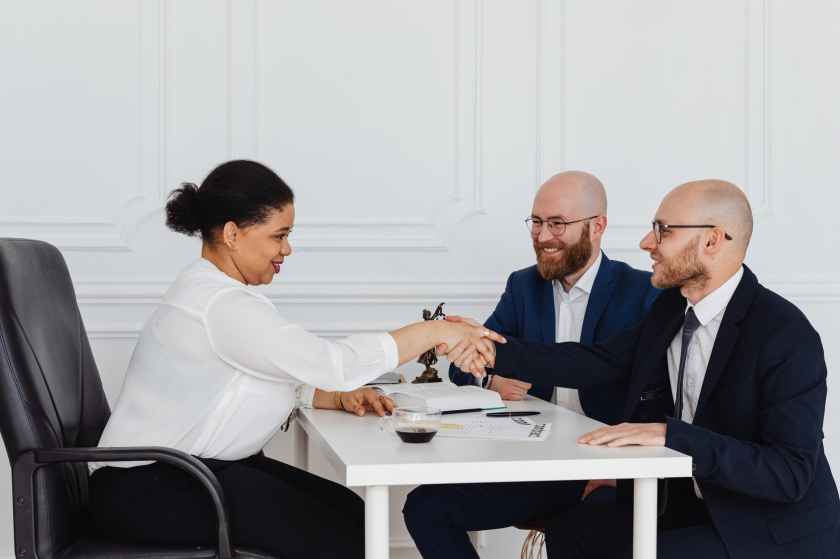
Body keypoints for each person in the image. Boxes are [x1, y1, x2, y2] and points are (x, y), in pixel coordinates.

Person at [88, 160, 503, 559]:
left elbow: (250, 377)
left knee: (353, 516)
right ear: (232, 233)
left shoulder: (216, 294)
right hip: (150, 488)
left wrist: (334, 397)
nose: (287, 248)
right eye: (278, 235)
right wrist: (433, 331)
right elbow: (332, 363)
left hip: (182, 474)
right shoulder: (220, 305)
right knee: (339, 535)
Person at [451, 180, 840, 558]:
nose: (646, 244)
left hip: (765, 530)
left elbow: (788, 473)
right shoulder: (670, 309)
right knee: (572, 528)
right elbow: (595, 362)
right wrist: (488, 348)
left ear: (712, 240)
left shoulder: (785, 334)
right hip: (683, 507)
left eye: (663, 231)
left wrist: (671, 435)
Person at [403, 171, 659, 559]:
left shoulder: (643, 292)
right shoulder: (523, 286)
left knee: (580, 530)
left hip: (608, 471)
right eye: (536, 222)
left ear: (597, 226)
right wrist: (491, 382)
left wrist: (619, 473)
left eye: (557, 223)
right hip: (538, 463)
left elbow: (653, 396)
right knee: (425, 508)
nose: (541, 237)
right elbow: (465, 364)